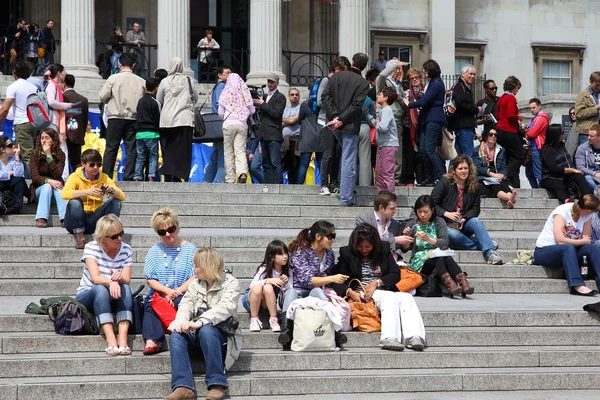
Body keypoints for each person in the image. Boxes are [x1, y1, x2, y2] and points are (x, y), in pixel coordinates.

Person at [332, 223, 427, 351]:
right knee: (388, 296)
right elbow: (336, 279)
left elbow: (395, 274)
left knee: (406, 297)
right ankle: (389, 337)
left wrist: (377, 283)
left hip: (382, 288)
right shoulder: (347, 253)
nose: (364, 250)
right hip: (362, 293)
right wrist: (349, 291)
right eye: (361, 247)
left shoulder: (384, 249)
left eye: (368, 246)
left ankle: (415, 336)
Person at [165, 248, 241, 400]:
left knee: (207, 329)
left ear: (208, 266)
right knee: (176, 335)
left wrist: (199, 322)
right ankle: (183, 387)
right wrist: (180, 322)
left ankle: (217, 384)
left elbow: (224, 308)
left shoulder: (231, 283)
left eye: (197, 265)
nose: (194, 269)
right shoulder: (195, 284)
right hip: (198, 337)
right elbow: (185, 305)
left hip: (222, 339)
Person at [278, 220, 348, 350]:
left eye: (334, 236)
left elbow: (323, 279)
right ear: (318, 236)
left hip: (315, 290)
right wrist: (332, 278)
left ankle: (337, 333)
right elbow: (306, 279)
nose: (332, 240)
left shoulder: (330, 254)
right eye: (330, 236)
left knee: (319, 293)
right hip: (296, 290)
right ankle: (286, 332)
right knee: (291, 293)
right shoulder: (300, 252)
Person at [75, 214, 133, 356]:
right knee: (100, 289)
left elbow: (127, 279)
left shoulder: (126, 249)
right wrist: (111, 281)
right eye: (114, 237)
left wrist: (120, 279)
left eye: (121, 234)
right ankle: (111, 338)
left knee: (125, 288)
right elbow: (95, 278)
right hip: (88, 294)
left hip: (114, 294)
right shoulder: (91, 248)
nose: (119, 238)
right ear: (103, 238)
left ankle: (123, 338)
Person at [142, 208, 197, 356]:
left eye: (171, 229)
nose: (167, 234)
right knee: (150, 305)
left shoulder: (191, 250)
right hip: (160, 293)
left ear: (177, 227)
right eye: (162, 232)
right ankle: (152, 340)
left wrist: (176, 292)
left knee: (181, 302)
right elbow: (150, 279)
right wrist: (167, 291)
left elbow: (195, 276)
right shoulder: (154, 251)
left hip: (183, 292)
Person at [431, 155, 503, 265]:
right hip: (445, 224)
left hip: (462, 223)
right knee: (453, 235)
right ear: (454, 170)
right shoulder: (444, 183)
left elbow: (475, 208)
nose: (464, 171)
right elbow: (431, 204)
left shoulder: (473, 185)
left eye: (466, 168)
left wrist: (465, 218)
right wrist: (446, 214)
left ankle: (490, 253)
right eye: (460, 168)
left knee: (476, 221)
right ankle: (484, 245)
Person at [321, 53, 371, 206]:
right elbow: (356, 106)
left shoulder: (335, 77)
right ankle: (345, 198)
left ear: (353, 62)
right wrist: (341, 120)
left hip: (336, 122)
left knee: (344, 157)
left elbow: (325, 98)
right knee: (348, 160)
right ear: (364, 66)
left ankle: (344, 192)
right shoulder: (363, 83)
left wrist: (335, 117)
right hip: (349, 124)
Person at [401, 195, 474, 297]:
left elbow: (445, 242)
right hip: (420, 261)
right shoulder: (413, 224)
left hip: (438, 257)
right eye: (419, 211)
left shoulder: (439, 222)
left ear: (432, 210)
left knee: (444, 256)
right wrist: (406, 237)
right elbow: (405, 249)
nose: (422, 215)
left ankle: (459, 282)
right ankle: (455, 283)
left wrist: (429, 240)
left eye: (426, 212)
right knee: (439, 256)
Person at [534, 194, 600, 296]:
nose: (595, 212)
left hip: (570, 251)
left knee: (592, 248)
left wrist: (570, 240)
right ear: (588, 210)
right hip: (544, 251)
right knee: (567, 247)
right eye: (594, 210)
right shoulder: (562, 211)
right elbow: (560, 241)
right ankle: (577, 285)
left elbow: (587, 239)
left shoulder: (587, 216)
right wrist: (577, 240)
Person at [62, 149, 125, 249]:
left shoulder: (104, 178)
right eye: (92, 165)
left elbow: (122, 196)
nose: (96, 168)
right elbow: (64, 193)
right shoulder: (74, 176)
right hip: (74, 221)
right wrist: (87, 192)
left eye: (99, 165)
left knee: (116, 202)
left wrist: (111, 191)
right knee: (75, 202)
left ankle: (109, 234)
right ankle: (80, 237)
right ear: (83, 164)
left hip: (95, 219)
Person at [99, 52, 145, 181]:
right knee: (131, 149)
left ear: (119, 65)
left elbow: (103, 96)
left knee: (111, 148)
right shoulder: (141, 81)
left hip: (115, 117)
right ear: (133, 65)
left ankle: (106, 176)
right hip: (133, 118)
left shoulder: (113, 79)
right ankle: (129, 175)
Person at [157, 57, 198, 182]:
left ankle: (168, 172)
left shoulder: (164, 81)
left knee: (169, 147)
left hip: (168, 120)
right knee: (183, 149)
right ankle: (179, 174)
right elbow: (195, 98)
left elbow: (159, 99)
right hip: (185, 118)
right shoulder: (189, 80)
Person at [406, 59, 446, 186]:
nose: (423, 72)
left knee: (429, 150)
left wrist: (409, 104)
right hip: (426, 119)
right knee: (423, 150)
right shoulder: (432, 83)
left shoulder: (437, 84)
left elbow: (425, 102)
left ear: (429, 71)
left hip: (433, 119)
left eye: (424, 70)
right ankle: (428, 178)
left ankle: (440, 177)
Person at [243, 240, 293, 332]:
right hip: (251, 300)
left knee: (268, 287)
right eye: (281, 254)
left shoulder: (288, 271)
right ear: (272, 257)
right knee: (260, 286)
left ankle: (273, 319)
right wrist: (268, 280)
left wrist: (284, 284)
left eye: (286, 253)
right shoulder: (264, 269)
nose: (285, 256)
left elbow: (290, 290)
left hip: (266, 304)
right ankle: (254, 319)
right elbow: (252, 285)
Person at [0, 60, 38, 174]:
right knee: (15, 151)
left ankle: (36, 183)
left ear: (14, 71)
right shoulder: (33, 87)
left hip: (22, 123)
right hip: (34, 123)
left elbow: (5, 108)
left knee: (27, 155)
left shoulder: (14, 86)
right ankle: (15, 178)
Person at [540, 124, 592, 204]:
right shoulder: (548, 150)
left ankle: (588, 198)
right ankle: (566, 201)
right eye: (562, 132)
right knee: (558, 184)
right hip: (550, 177)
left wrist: (574, 171)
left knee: (578, 176)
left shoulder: (561, 145)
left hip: (564, 176)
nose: (564, 134)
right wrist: (572, 170)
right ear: (556, 135)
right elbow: (554, 169)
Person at [217, 73, 254, 183]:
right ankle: (242, 173)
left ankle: (230, 178)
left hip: (228, 124)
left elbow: (220, 113)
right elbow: (252, 110)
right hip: (242, 124)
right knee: (240, 150)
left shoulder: (225, 92)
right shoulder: (244, 92)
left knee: (228, 152)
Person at [376, 59, 407, 187]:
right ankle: (388, 179)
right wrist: (394, 65)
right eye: (396, 69)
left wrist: (400, 99)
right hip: (387, 116)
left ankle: (396, 178)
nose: (398, 71)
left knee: (396, 150)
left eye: (399, 69)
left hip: (398, 118)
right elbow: (382, 75)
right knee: (385, 149)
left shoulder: (398, 84)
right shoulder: (384, 82)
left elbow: (404, 102)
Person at [29, 128, 67, 227]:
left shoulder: (60, 155)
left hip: (56, 191)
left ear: (53, 140)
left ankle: (65, 218)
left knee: (59, 188)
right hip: (39, 190)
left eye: (47, 138)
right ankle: (41, 218)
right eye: (42, 138)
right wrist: (48, 181)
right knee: (47, 186)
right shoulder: (34, 154)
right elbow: (34, 177)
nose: (44, 140)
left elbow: (57, 174)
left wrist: (49, 156)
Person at [473, 128, 518, 208]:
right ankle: (511, 199)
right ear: (486, 136)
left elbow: (503, 167)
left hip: (498, 177)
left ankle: (510, 200)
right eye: (491, 134)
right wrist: (493, 175)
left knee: (504, 184)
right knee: (494, 185)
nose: (493, 136)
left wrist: (502, 175)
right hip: (484, 178)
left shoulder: (500, 150)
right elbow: (478, 168)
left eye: (495, 135)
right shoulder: (477, 150)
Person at [253, 73, 286, 184]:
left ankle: (278, 187)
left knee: (275, 162)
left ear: (277, 82)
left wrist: (263, 104)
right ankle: (268, 186)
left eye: (272, 82)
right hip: (264, 134)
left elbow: (276, 114)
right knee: (266, 163)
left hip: (274, 134)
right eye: (269, 82)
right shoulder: (266, 96)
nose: (270, 84)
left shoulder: (280, 97)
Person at [44, 64, 74, 181]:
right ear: (58, 73)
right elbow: (51, 102)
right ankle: (61, 175)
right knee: (58, 148)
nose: (64, 74)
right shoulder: (52, 85)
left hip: (55, 121)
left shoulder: (55, 85)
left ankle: (61, 174)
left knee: (59, 148)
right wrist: (66, 105)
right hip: (52, 121)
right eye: (63, 72)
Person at [366, 86, 398, 192]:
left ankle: (390, 199)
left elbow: (382, 127)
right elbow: (378, 124)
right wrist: (369, 117)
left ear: (386, 97)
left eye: (380, 94)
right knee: (379, 173)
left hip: (389, 145)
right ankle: (382, 197)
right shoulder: (383, 111)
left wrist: (377, 122)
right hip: (384, 145)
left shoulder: (387, 110)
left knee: (386, 173)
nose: (377, 96)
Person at [495, 75, 525, 188]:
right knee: (519, 155)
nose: (518, 90)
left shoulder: (502, 97)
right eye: (517, 88)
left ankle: (511, 181)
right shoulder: (511, 98)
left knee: (507, 156)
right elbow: (511, 115)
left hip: (500, 129)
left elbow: (498, 114)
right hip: (509, 130)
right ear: (514, 86)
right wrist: (518, 116)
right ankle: (506, 175)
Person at [203, 66, 231, 184]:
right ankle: (221, 182)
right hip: (221, 123)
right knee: (222, 155)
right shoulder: (222, 87)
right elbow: (221, 105)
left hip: (216, 125)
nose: (230, 75)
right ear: (220, 75)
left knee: (215, 156)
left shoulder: (217, 87)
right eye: (227, 73)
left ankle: (207, 181)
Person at [449, 64, 480, 157]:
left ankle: (451, 171)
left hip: (462, 126)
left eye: (474, 74)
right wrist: (476, 109)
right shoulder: (459, 87)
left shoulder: (463, 87)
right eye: (470, 74)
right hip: (464, 126)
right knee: (468, 155)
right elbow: (461, 103)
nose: (473, 76)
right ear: (463, 74)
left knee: (458, 156)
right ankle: (469, 171)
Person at [134, 77, 161, 182]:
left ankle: (137, 176)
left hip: (140, 133)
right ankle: (151, 175)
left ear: (145, 87)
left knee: (140, 156)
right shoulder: (155, 102)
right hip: (152, 133)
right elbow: (157, 118)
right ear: (156, 89)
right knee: (153, 156)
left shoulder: (140, 101)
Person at [401, 67, 424, 186]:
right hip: (408, 125)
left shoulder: (425, 91)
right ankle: (409, 178)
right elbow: (404, 108)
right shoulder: (405, 93)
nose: (414, 80)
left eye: (416, 77)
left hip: (421, 126)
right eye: (412, 78)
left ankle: (421, 178)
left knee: (421, 153)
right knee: (409, 154)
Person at [63, 74, 90, 171]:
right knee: (77, 162)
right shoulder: (83, 100)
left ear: (64, 84)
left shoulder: (61, 98)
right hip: (77, 134)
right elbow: (85, 120)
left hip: (63, 134)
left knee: (62, 161)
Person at [296, 100, 324, 185]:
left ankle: (298, 187)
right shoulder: (323, 104)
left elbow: (300, 119)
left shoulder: (305, 104)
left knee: (303, 165)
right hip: (321, 136)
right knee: (321, 164)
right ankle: (324, 185)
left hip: (307, 136)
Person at [525, 98, 549, 188]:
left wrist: (527, 131)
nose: (531, 110)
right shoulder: (533, 119)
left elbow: (532, 133)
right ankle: (536, 189)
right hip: (531, 147)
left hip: (537, 147)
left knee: (537, 171)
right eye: (530, 108)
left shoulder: (542, 118)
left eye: (533, 107)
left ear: (539, 107)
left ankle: (541, 190)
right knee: (529, 173)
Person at [0, 136, 26, 214]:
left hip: (10, 187)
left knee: (19, 180)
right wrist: (10, 173)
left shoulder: (13, 159)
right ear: (2, 149)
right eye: (10, 146)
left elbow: (19, 174)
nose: (13, 147)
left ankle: (16, 207)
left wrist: (17, 157)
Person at [575, 71, 600, 146]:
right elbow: (579, 113)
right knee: (586, 155)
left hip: (598, 132)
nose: (599, 88)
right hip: (586, 134)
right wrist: (596, 108)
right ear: (590, 82)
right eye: (597, 85)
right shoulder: (582, 95)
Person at [575, 124, 600, 191]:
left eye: (591, 136)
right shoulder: (582, 148)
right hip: (591, 175)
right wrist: (594, 173)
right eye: (588, 135)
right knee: (587, 178)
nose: (588, 138)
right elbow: (580, 167)